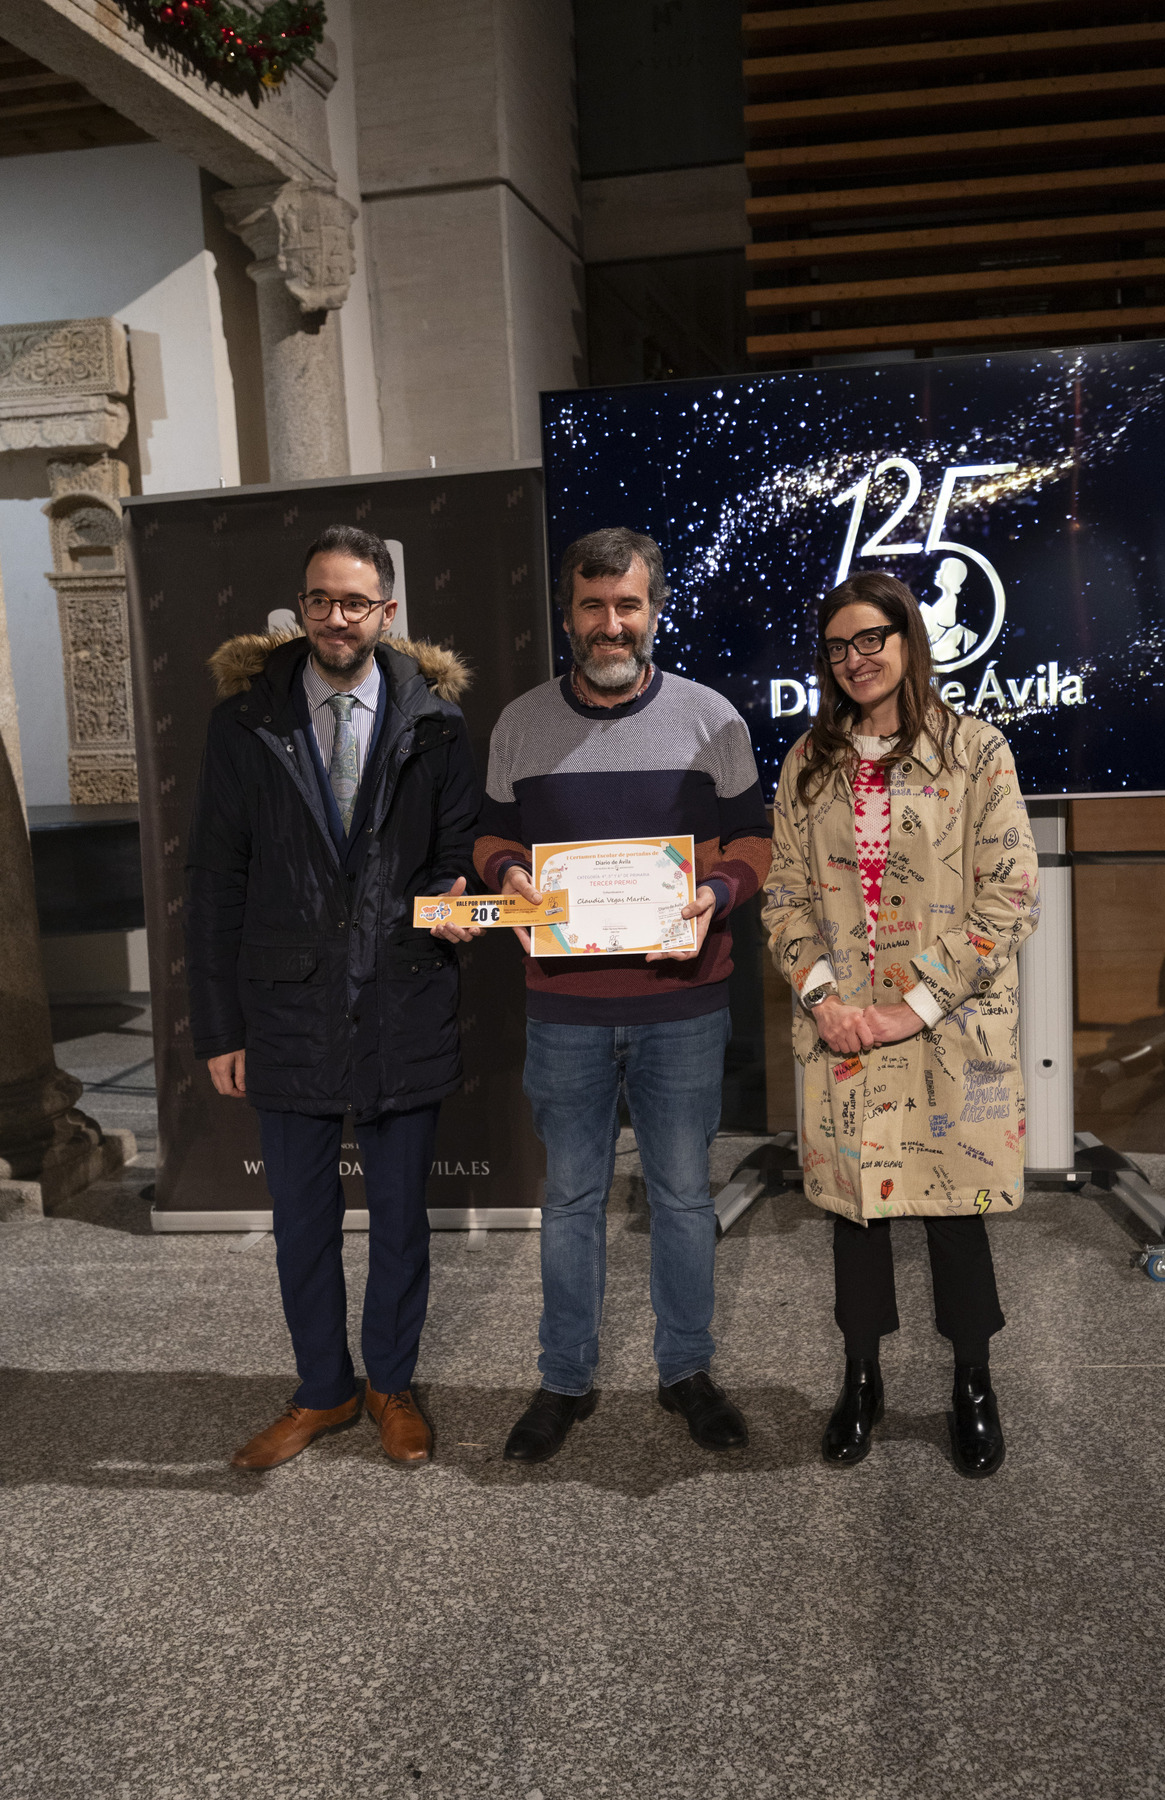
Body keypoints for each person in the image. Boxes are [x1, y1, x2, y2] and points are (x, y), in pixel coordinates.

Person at [186, 525, 481, 1471]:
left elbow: (451, 855)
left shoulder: (438, 722)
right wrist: (220, 1027)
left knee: (400, 1218)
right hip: (287, 1010)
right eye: (320, 599)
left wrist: (452, 899)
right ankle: (324, 1391)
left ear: (386, 613)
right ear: (300, 607)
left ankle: (391, 1386)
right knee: (302, 1222)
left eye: (355, 602)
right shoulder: (244, 721)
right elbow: (215, 881)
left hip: (403, 997)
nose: (336, 617)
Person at [475, 527, 772, 1463]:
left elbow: (754, 842)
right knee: (569, 1201)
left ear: (655, 609)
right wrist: (511, 872)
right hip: (563, 1009)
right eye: (593, 607)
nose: (611, 625)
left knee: (684, 1197)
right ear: (568, 616)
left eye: (627, 606)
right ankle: (565, 1379)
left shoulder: (710, 718)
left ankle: (687, 1371)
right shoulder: (520, 722)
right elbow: (485, 841)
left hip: (684, 1006)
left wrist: (717, 894)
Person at [762, 570, 1038, 1478]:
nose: (855, 660)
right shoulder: (809, 763)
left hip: (943, 1032)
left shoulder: (975, 752)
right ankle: (862, 1377)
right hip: (843, 1029)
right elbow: (787, 898)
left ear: (908, 640)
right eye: (838, 647)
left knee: (955, 1213)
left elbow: (1008, 898)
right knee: (857, 1215)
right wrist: (825, 1000)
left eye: (871, 639)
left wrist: (908, 1006)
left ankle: (972, 1380)